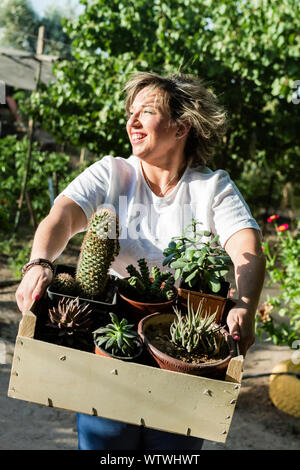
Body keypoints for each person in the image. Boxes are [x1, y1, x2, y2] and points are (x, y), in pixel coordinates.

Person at [16, 72, 266, 451]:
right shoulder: (112, 172)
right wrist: (39, 263)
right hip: (111, 333)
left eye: (146, 112)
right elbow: (62, 217)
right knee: (108, 442)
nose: (131, 121)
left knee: (171, 448)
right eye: (130, 112)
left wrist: (245, 303)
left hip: (182, 344)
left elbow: (245, 244)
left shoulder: (211, 187)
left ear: (181, 127)